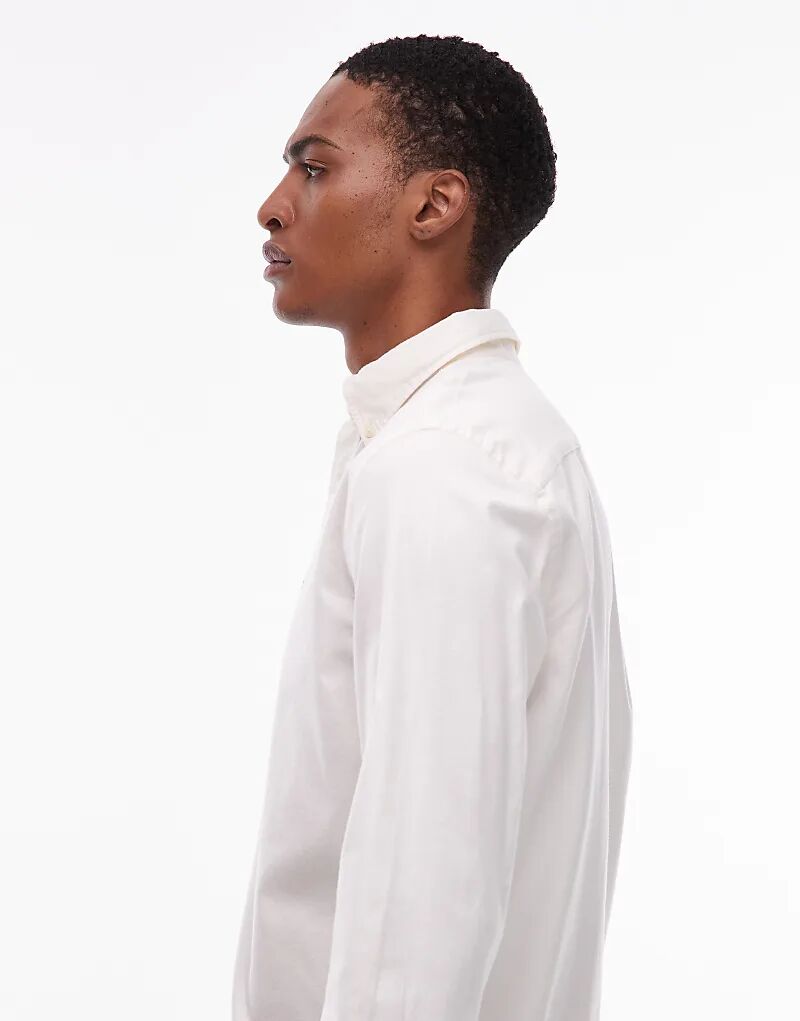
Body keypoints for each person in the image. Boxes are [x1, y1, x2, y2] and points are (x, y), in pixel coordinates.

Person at [233, 33, 633, 1021]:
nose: (272, 205)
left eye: (313, 167)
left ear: (433, 205)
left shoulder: (443, 467)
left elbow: (420, 900)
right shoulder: (486, 443)